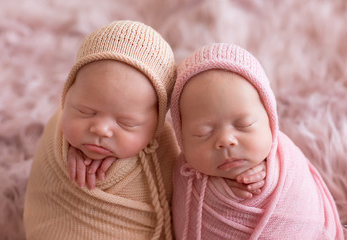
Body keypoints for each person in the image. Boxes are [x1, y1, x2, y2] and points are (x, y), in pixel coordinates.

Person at [23, 20, 180, 240]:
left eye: (126, 123)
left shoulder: (164, 146)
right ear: (67, 96)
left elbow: (183, 198)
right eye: (85, 111)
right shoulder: (57, 128)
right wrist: (65, 148)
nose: (101, 129)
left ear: (156, 125)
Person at [170, 43, 345, 239]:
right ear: (182, 137)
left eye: (244, 124)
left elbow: (305, 209)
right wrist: (217, 188)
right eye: (203, 133)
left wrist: (270, 173)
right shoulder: (185, 178)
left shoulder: (289, 164)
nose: (226, 141)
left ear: (270, 119)